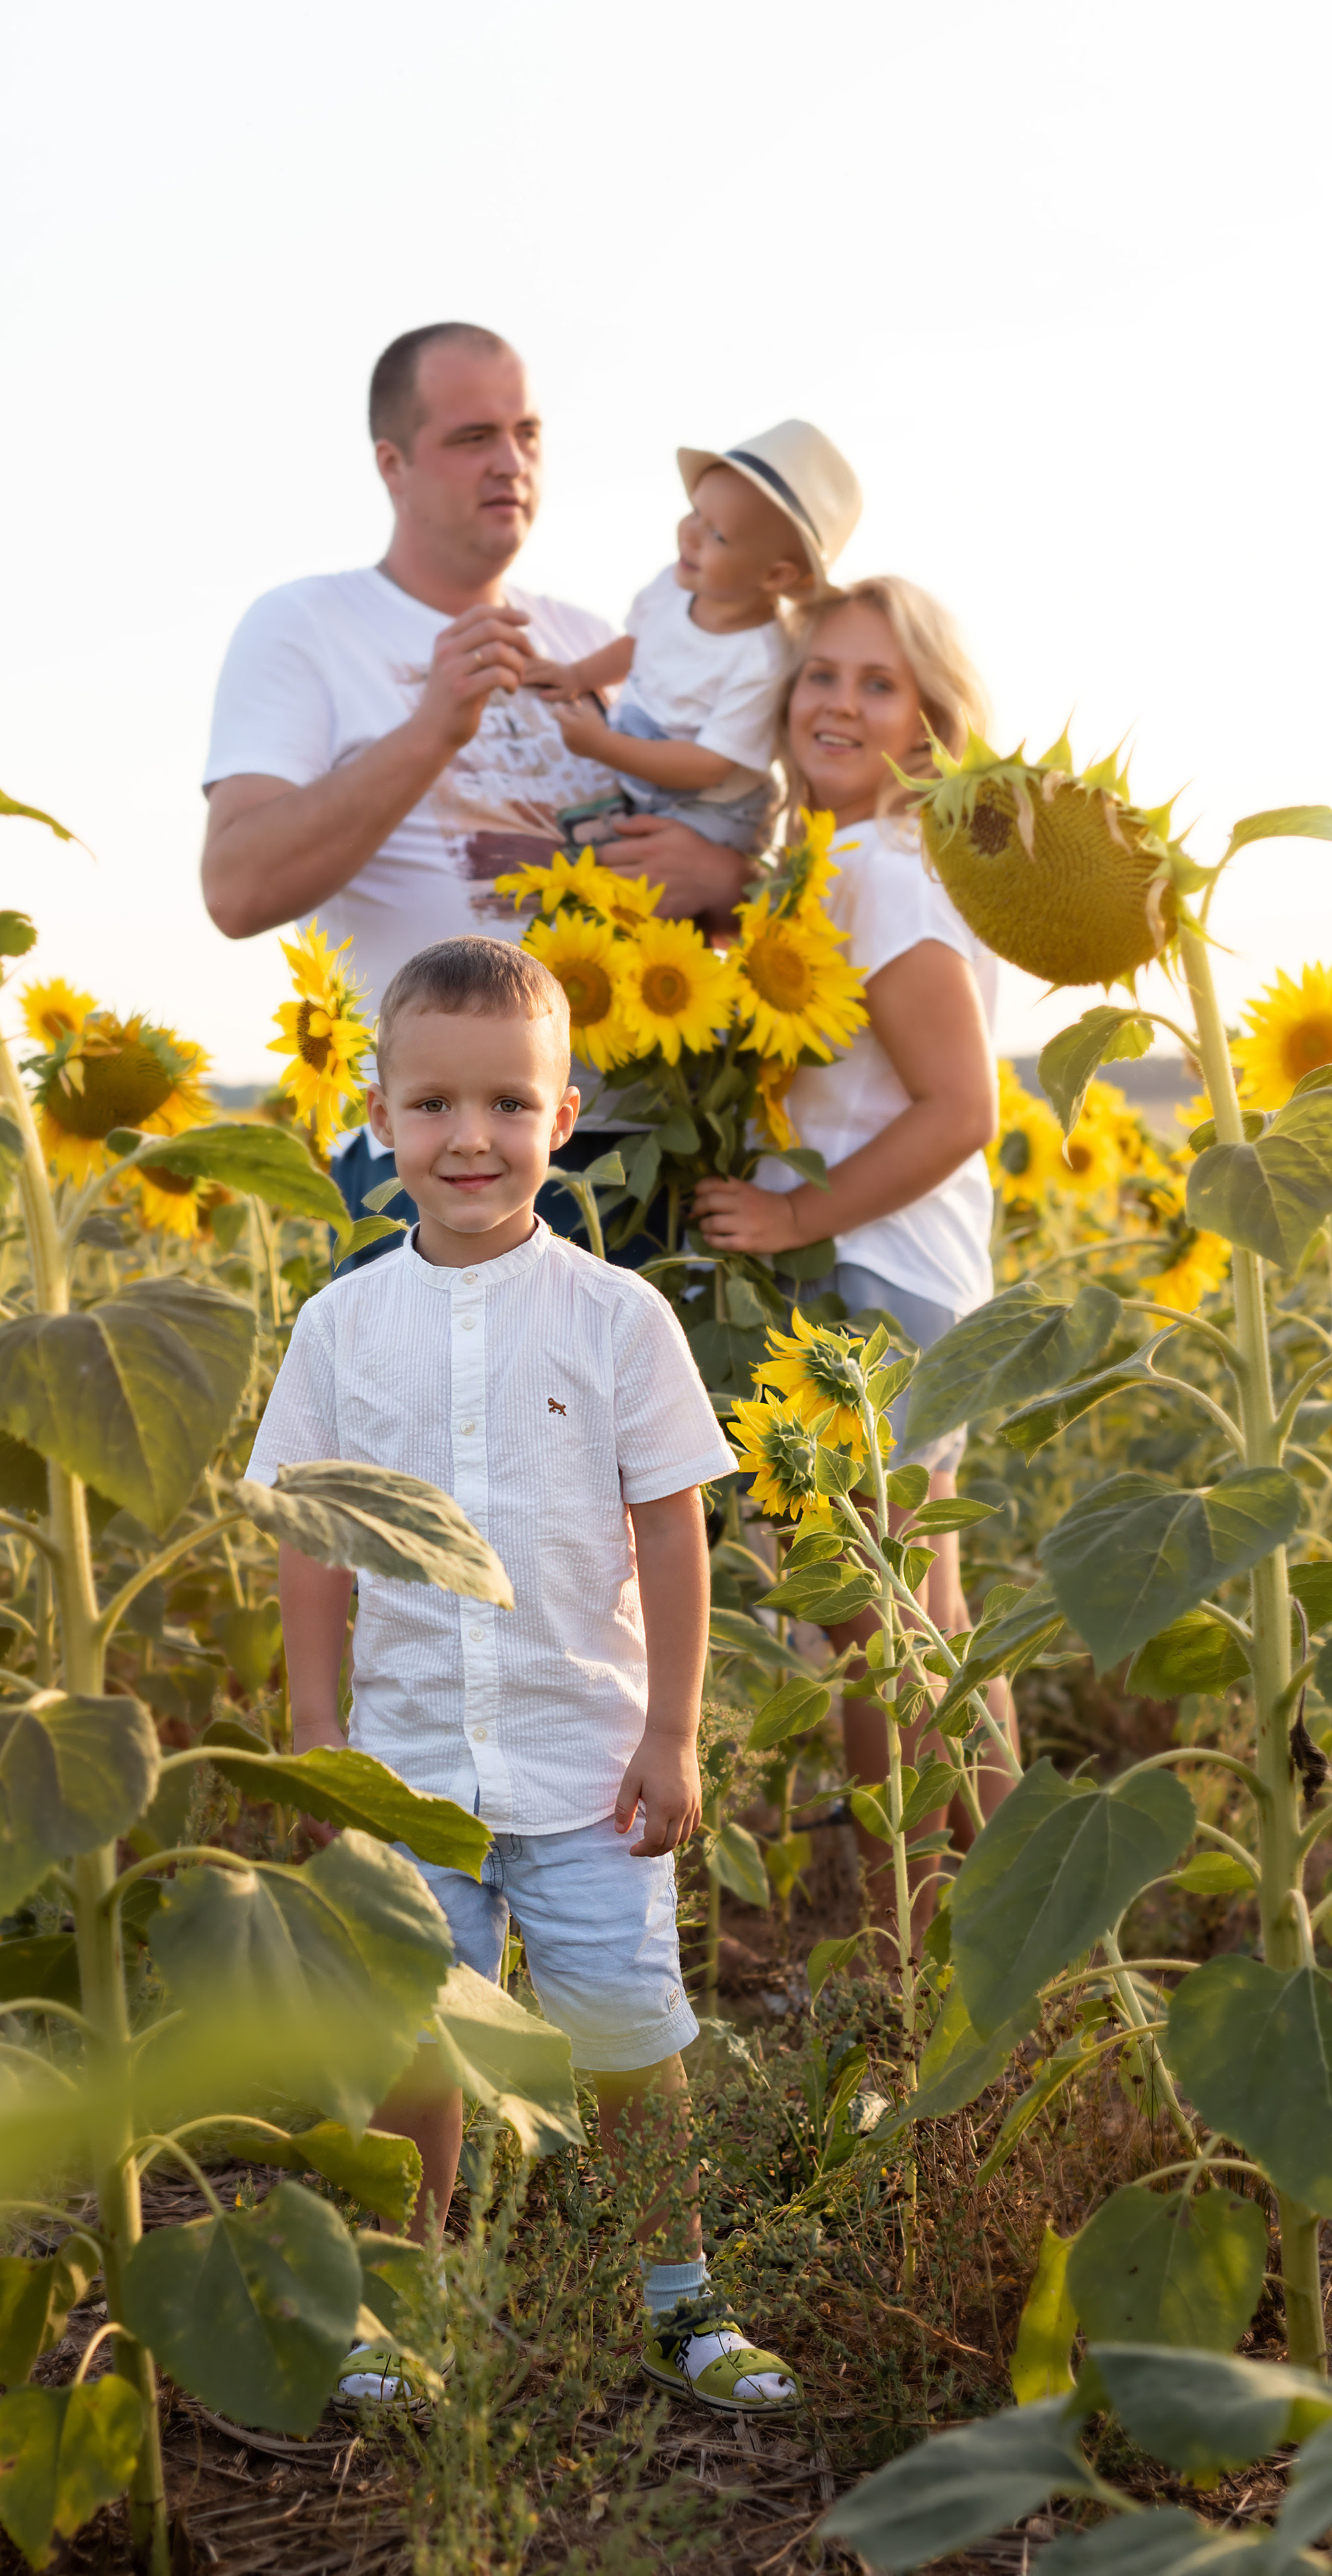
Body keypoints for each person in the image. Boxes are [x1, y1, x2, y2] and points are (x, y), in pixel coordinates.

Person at [246, 935, 800, 2418]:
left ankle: (681, 2306)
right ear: (376, 1117)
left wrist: (673, 1734)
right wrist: (314, 1736)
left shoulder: (619, 1320)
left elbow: (670, 1531)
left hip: (583, 1762)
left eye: (505, 1105)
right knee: (408, 2041)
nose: (467, 1138)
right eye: (432, 1106)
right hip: (408, 1765)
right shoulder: (338, 1325)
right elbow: (310, 1540)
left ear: (561, 1122)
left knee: (630, 2043)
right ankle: (391, 2305)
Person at [198, 324, 775, 1239]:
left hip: (639, 1147)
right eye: (473, 438)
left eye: (528, 434)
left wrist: (724, 883)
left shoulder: (593, 638)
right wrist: (433, 728)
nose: (510, 461)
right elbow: (236, 885)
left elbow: (719, 861)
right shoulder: (307, 625)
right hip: (436, 1164)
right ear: (392, 464)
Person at [688, 578, 1018, 1937]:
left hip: (868, 1271)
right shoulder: (834, 864)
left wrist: (787, 1221)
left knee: (869, 1619)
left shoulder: (881, 873)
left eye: (876, 684)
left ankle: (910, 1941)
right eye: (819, 673)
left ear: (928, 726)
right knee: (922, 1614)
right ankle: (985, 1938)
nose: (834, 699)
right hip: (902, 1271)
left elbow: (960, 1107)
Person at [528, 421, 861, 865]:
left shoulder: (762, 659)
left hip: (712, 812)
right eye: (695, 512)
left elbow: (709, 766)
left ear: (775, 576)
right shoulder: (672, 587)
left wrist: (603, 746)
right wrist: (576, 676)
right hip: (645, 773)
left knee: (652, 879)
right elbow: (636, 645)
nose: (690, 534)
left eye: (718, 535)